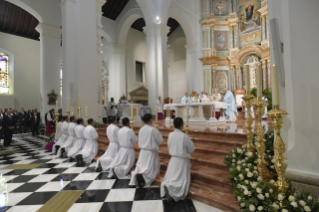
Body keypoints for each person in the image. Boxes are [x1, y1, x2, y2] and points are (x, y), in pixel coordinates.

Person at [160, 117, 195, 202]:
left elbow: (169, 146)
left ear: (173, 125)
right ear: (182, 125)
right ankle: (174, 192)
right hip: (182, 161)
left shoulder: (170, 135)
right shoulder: (184, 136)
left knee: (172, 176)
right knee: (180, 178)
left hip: (173, 160)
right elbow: (191, 149)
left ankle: (169, 187)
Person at [129, 113, 163, 188]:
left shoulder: (142, 129)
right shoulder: (153, 129)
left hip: (143, 152)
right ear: (151, 120)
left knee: (141, 166)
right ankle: (144, 178)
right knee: (150, 169)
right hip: (150, 152)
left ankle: (137, 175)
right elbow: (160, 141)